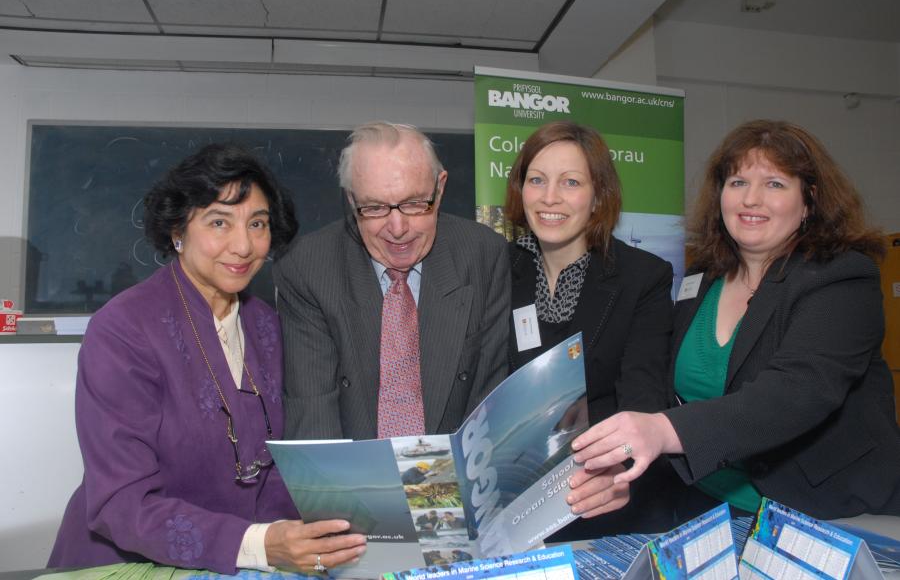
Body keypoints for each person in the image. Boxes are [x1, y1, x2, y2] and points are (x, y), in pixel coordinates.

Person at [48, 144, 366, 575]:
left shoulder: (268, 327)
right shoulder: (123, 329)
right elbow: (120, 503)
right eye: (219, 222)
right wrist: (261, 544)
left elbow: (270, 469)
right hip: (125, 561)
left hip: (243, 559)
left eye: (258, 224)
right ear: (178, 230)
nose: (243, 245)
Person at [572, 119, 900, 520]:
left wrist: (663, 431)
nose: (751, 200)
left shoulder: (841, 278)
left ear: (809, 200)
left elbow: (795, 393)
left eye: (775, 184)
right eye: (738, 183)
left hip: (822, 512)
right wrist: (611, 436)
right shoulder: (703, 277)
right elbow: (659, 379)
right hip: (703, 504)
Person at [274, 122, 510, 440]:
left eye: (414, 204)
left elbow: (489, 401)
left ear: (440, 190)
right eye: (374, 207)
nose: (397, 228)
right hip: (356, 477)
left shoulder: (483, 254)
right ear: (350, 199)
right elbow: (315, 418)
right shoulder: (308, 268)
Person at [505, 121, 676, 537]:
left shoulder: (642, 277)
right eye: (537, 180)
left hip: (600, 493)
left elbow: (643, 393)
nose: (550, 198)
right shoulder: (496, 269)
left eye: (571, 182)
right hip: (509, 499)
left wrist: (618, 467)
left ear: (598, 195)